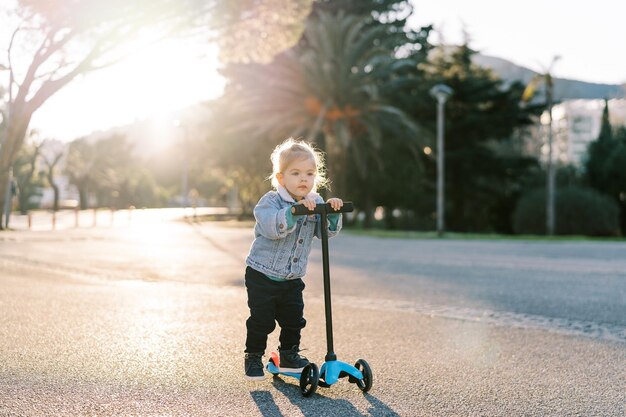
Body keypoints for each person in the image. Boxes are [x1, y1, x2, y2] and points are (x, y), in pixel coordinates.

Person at [244, 138, 343, 381]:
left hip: (292, 277)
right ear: (281, 178)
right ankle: (253, 355)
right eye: (296, 173)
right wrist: (294, 212)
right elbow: (270, 227)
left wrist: (331, 213)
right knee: (262, 320)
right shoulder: (271, 202)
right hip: (262, 274)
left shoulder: (316, 201)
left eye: (309, 174)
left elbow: (325, 233)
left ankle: (288, 354)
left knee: (294, 320)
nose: (303, 179)